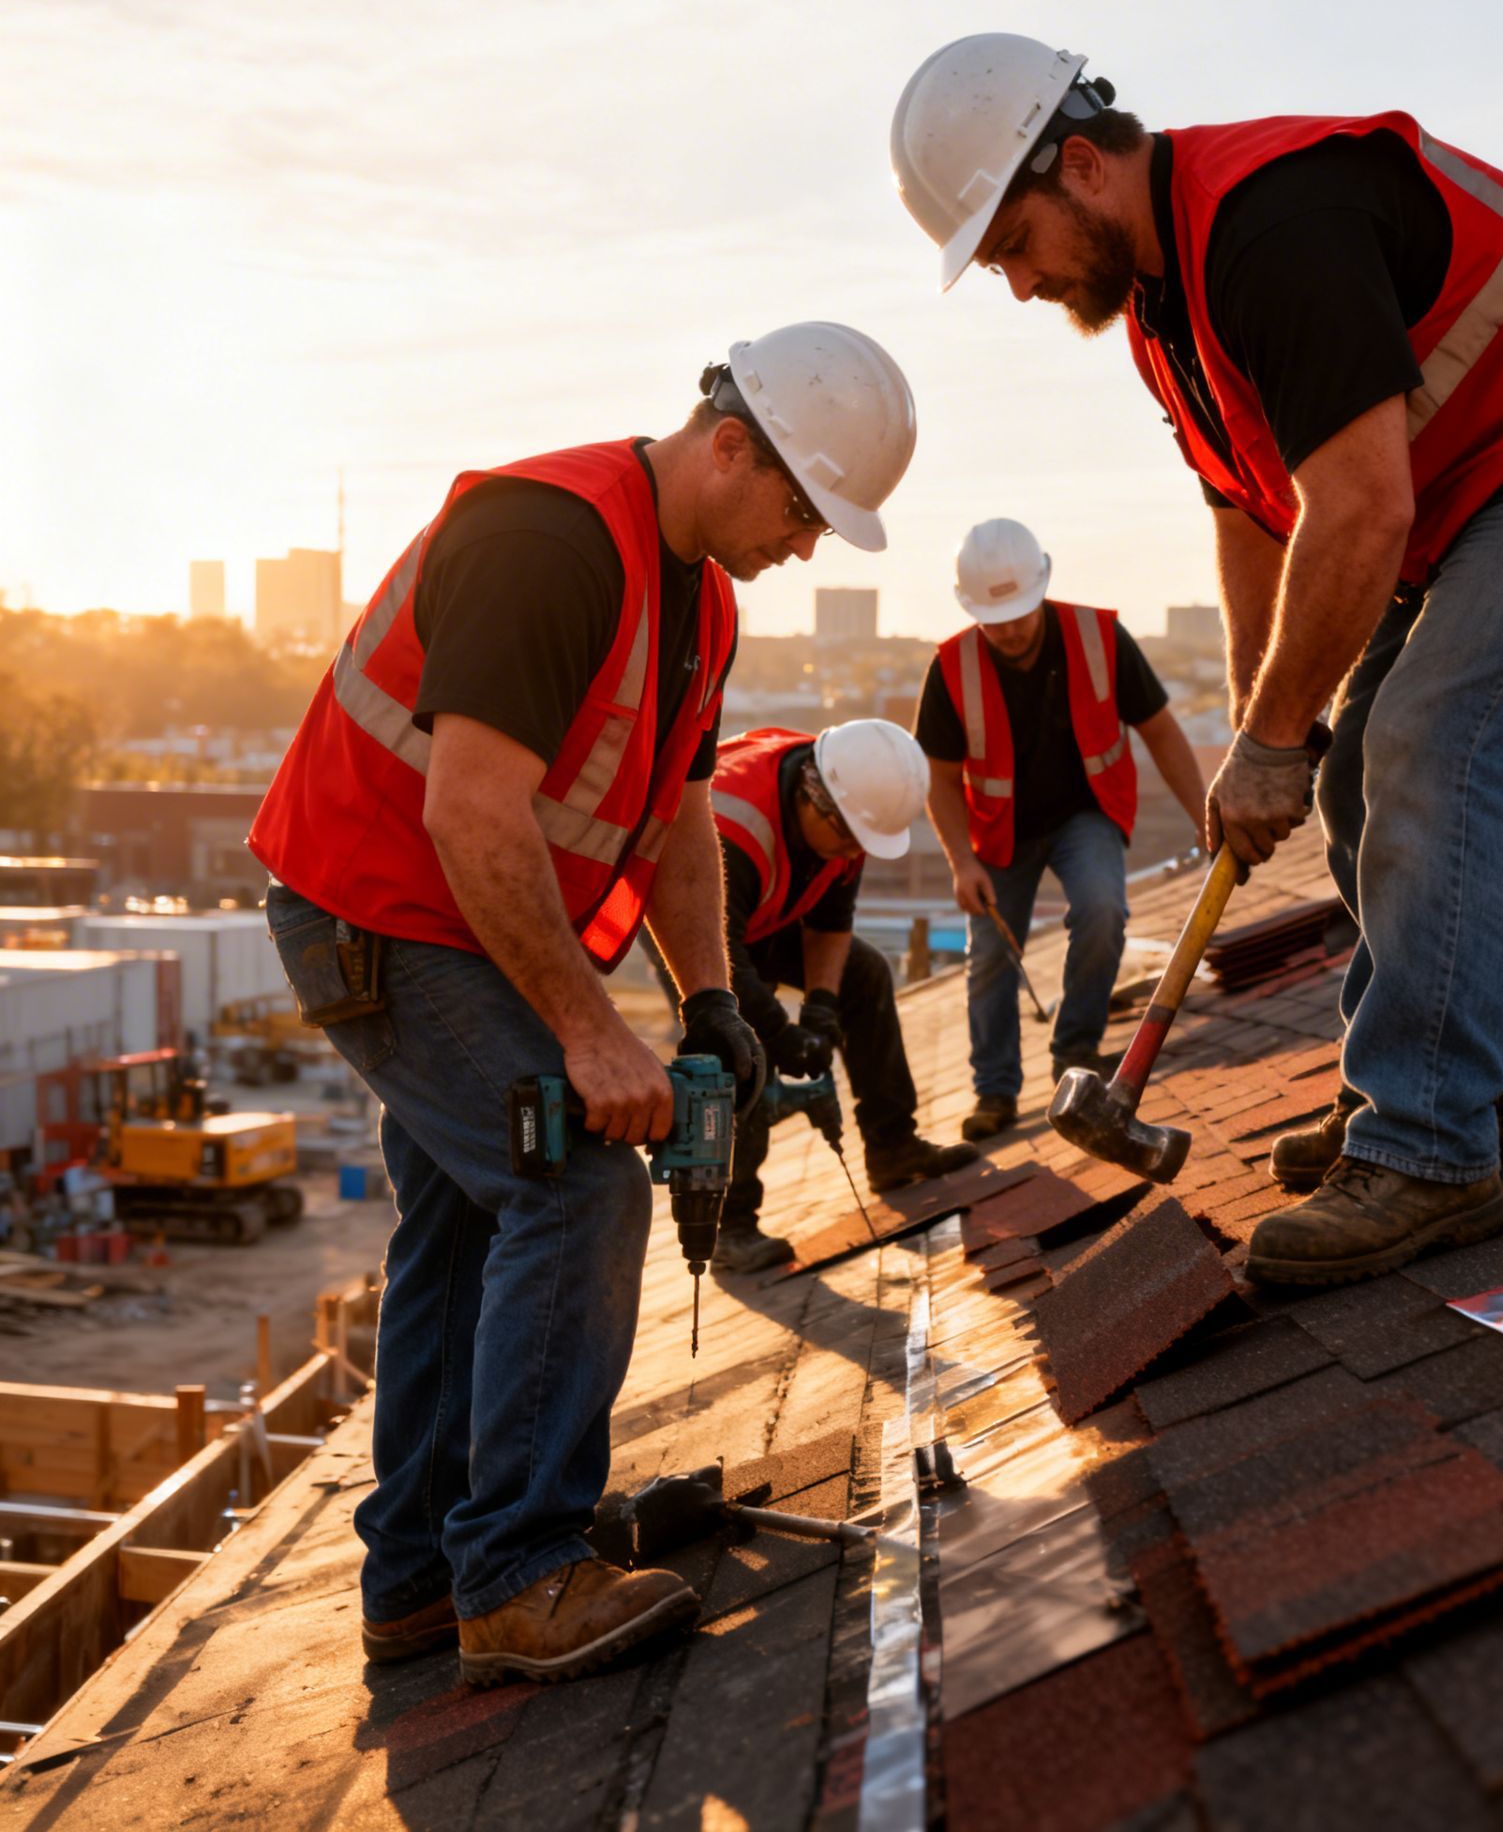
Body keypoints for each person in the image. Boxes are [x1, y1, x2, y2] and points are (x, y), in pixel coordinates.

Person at [894, 37, 1503, 1283]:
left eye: (1014, 246)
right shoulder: (1162, 311)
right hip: (1478, 498)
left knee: (1436, 751)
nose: (1018, 286)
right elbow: (1248, 512)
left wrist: (1279, 736)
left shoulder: (1270, 224)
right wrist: (1259, 725)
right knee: (1348, 782)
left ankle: (1430, 1153)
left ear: (1079, 167)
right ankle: (1473, 1086)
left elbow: (1359, 512)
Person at [249, 322, 917, 1686]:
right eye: (801, 510)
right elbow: (471, 806)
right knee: (576, 1178)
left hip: (453, 923)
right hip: (374, 912)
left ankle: (420, 1582)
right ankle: (522, 1569)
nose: (804, 547)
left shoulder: (705, 604)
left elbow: (677, 823)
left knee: (458, 1225)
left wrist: (713, 1000)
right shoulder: (547, 539)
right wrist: (588, 1028)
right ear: (731, 446)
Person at [916, 518, 1209, 1139]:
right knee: (992, 955)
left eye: (1020, 613)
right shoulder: (951, 667)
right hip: (1000, 832)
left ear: (1043, 587)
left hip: (1087, 811)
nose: (1010, 629)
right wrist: (960, 863)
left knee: (1103, 909)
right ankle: (994, 1092)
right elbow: (939, 780)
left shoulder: (1100, 636)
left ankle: (1075, 1057)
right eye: (994, 620)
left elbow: (1160, 731)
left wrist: (1203, 816)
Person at [707, 719, 979, 1271]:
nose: (853, 852)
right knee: (732, 1043)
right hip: (688, 923)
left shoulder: (851, 812)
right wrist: (781, 1036)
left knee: (866, 972)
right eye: (849, 839)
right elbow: (722, 961)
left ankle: (892, 1145)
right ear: (813, 796)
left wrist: (822, 1007)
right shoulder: (731, 826)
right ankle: (729, 1226)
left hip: (759, 911)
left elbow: (831, 923)